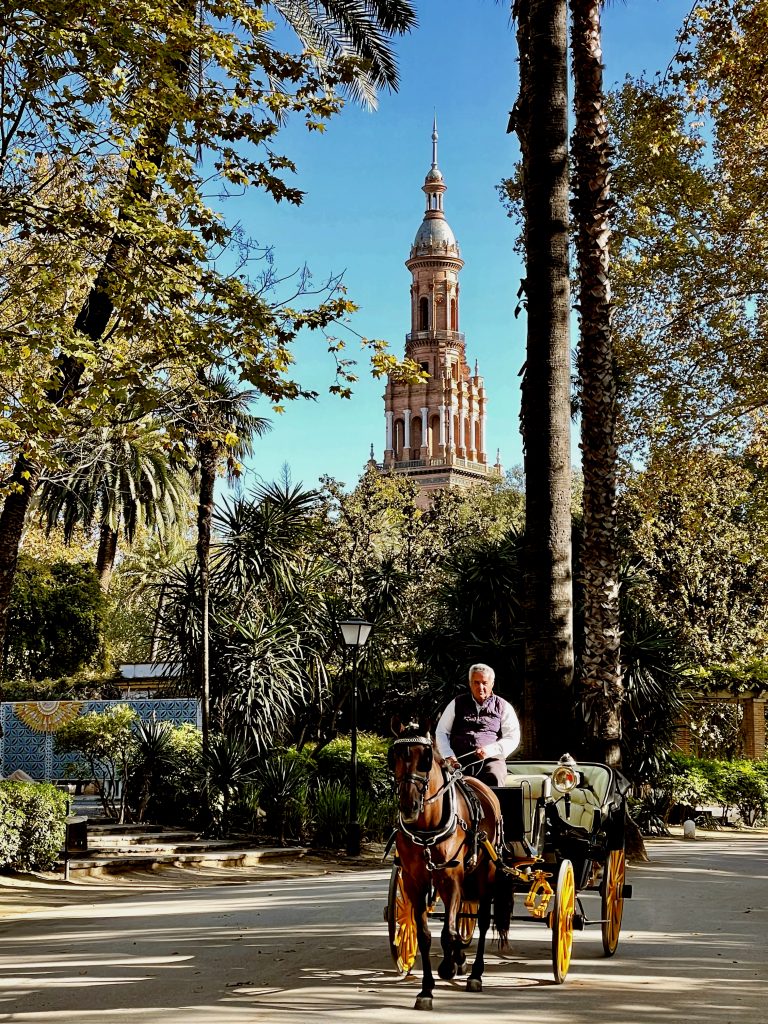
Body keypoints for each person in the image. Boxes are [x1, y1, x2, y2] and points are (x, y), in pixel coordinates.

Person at [435, 663, 520, 787]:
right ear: (470, 683)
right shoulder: (456, 703)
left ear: (492, 683)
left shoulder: (503, 706)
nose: (480, 687)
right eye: (476, 682)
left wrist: (489, 751)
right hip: (458, 761)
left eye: (484, 683)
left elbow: (512, 737)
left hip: (490, 761)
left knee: (494, 778)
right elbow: (442, 731)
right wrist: (448, 755)